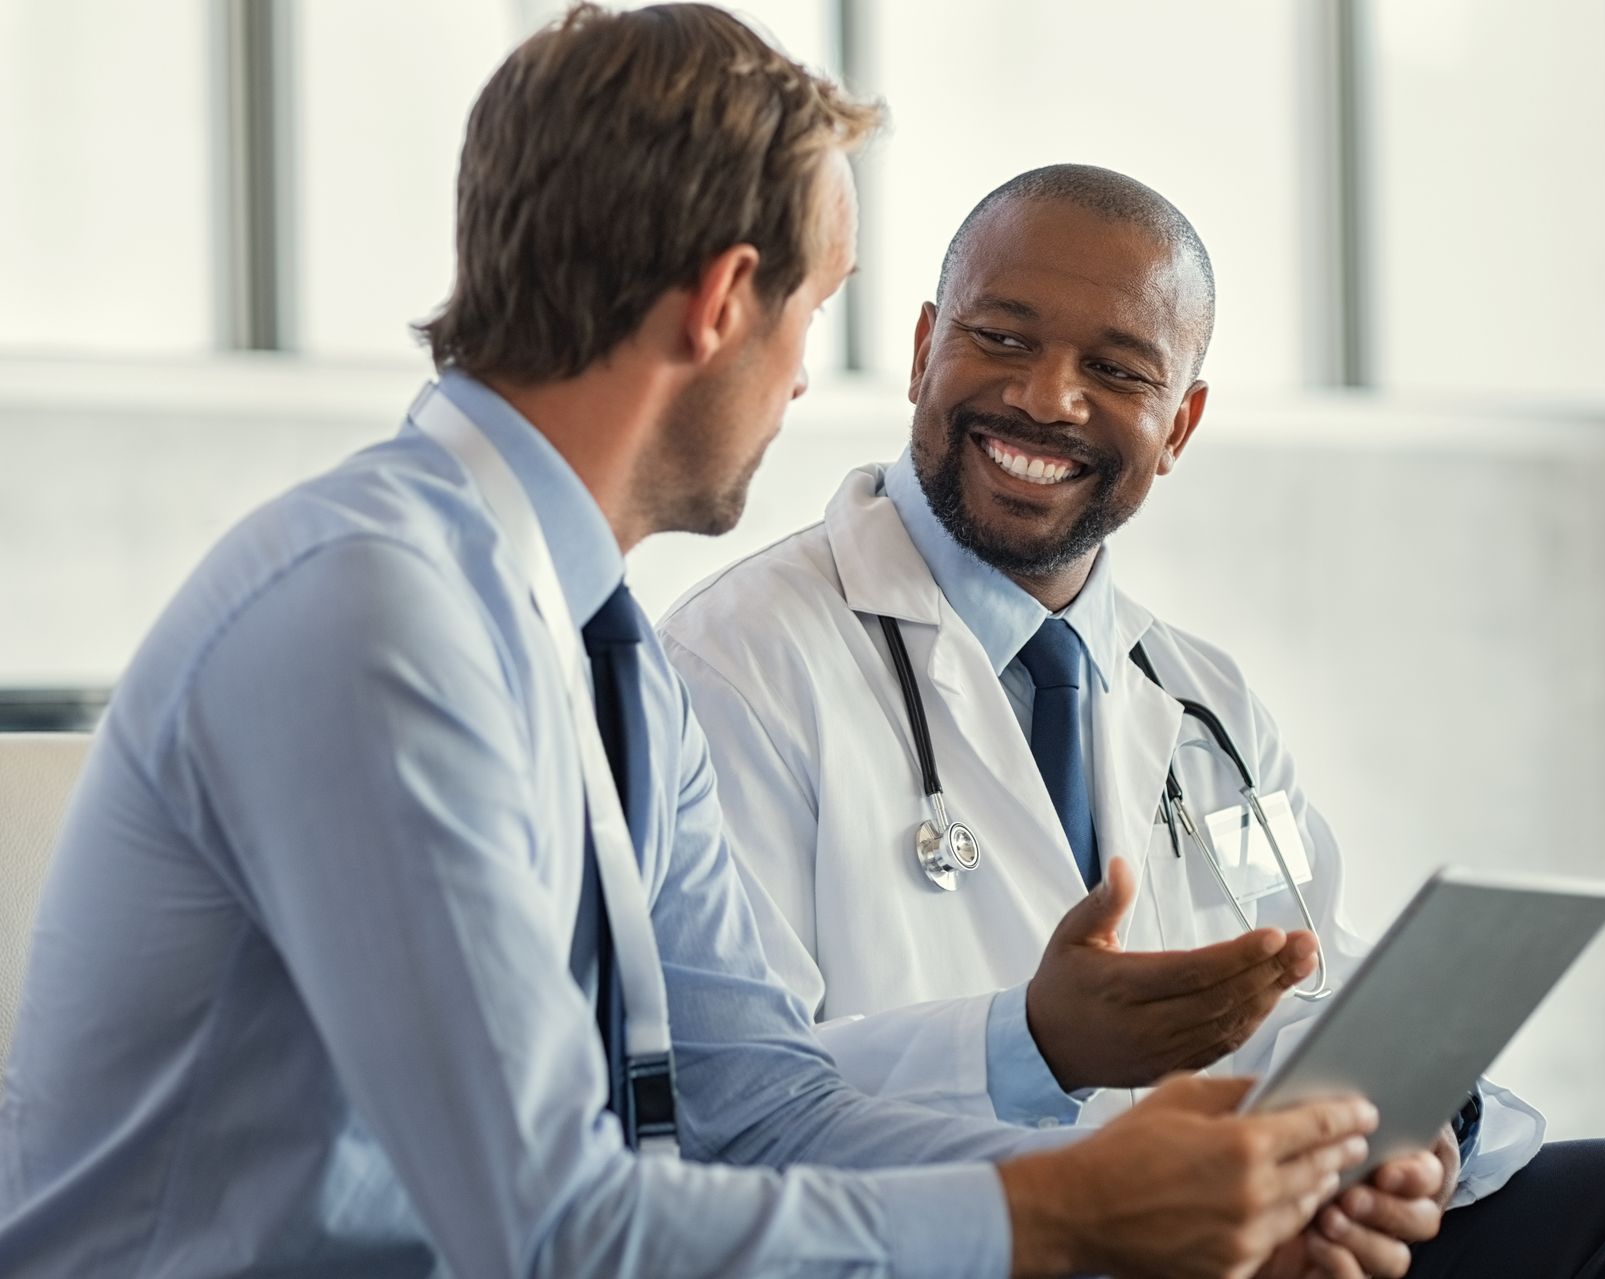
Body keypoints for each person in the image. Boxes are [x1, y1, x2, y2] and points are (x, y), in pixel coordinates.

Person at [0, 9, 1389, 1278]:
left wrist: (1154, 1186)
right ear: (726, 299)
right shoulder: (375, 618)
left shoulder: (603, 656)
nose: (803, 376)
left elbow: (754, 1105)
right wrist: (1069, 1214)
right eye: (815, 309)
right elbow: (550, 1226)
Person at [659, 164, 1605, 1277]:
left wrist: (1417, 1135)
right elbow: (731, 1108)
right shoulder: (738, 663)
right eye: (1002, 339)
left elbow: (1305, 986)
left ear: (1176, 424)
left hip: (1224, 1234)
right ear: (922, 349)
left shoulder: (1199, 706)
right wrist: (1031, 1045)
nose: (1045, 398)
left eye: (1114, 370)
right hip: (979, 1243)